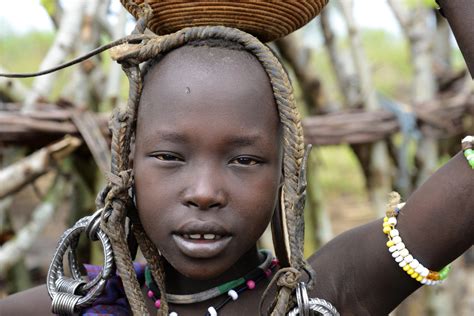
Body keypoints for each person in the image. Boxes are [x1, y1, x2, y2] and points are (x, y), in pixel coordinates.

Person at [0, 1, 473, 315]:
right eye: (168, 156)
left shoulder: (327, 293)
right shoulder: (80, 302)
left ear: (290, 170)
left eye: (244, 161)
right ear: (126, 164)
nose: (204, 192)